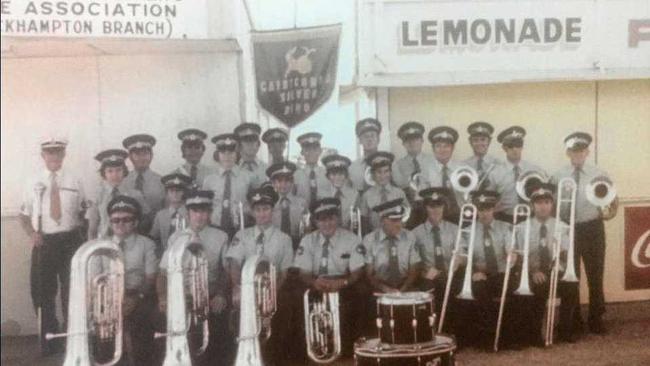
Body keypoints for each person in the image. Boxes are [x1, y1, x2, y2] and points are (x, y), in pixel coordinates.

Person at [19, 136, 86, 356]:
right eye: (50, 153)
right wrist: (32, 234)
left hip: (70, 241)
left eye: (58, 153)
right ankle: (49, 340)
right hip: (44, 242)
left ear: (64, 155)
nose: (54, 157)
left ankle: (72, 341)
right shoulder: (32, 181)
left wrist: (83, 236)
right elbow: (23, 214)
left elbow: (83, 212)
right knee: (42, 293)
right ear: (43, 156)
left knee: (72, 292)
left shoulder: (75, 180)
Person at [551, 131, 615, 335]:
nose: (577, 154)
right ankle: (574, 320)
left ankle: (596, 318)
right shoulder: (558, 175)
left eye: (581, 150)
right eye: (573, 151)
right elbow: (551, 203)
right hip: (569, 229)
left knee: (595, 275)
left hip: (593, 228)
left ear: (587, 151)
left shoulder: (599, 173)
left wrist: (609, 211)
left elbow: (612, 199)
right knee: (572, 276)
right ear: (568, 153)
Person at [157, 190, 230, 366]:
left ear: (210, 213)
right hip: (182, 295)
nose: (200, 216)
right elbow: (163, 273)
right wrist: (162, 297)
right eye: (195, 211)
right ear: (188, 213)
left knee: (218, 327)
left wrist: (221, 294)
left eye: (204, 211)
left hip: (209, 294)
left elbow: (227, 271)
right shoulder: (176, 237)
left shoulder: (221, 237)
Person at [225, 185, 294, 365]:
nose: (262, 214)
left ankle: (272, 359)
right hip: (246, 290)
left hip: (272, 292)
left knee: (283, 313)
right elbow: (234, 264)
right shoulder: (242, 235)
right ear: (252, 212)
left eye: (266, 209)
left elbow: (284, 273)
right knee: (232, 313)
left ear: (273, 210)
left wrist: (270, 295)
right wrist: (237, 288)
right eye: (258, 210)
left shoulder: (284, 239)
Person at [294, 198, 367, 357]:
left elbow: (357, 271)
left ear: (338, 219)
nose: (327, 224)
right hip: (316, 282)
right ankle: (307, 352)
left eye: (331, 218)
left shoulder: (352, 239)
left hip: (343, 282)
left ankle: (350, 350)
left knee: (361, 295)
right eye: (322, 219)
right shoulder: (307, 240)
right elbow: (303, 273)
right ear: (315, 222)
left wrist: (343, 282)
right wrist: (314, 283)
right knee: (296, 298)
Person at [514, 182, 576, 346]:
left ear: (552, 204)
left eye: (547, 203)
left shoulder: (561, 226)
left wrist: (559, 262)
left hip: (554, 269)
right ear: (532, 205)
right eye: (539, 203)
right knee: (539, 287)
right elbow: (519, 257)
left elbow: (564, 253)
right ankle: (535, 334)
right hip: (531, 272)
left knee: (571, 286)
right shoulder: (521, 228)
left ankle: (565, 330)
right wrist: (533, 271)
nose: (543, 207)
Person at [104, 195, 158, 366]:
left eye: (126, 219)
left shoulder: (147, 244)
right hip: (108, 297)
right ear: (110, 223)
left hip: (139, 296)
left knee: (142, 326)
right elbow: (93, 279)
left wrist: (135, 298)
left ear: (135, 222)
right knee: (103, 331)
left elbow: (150, 278)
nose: (120, 224)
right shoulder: (100, 246)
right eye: (116, 220)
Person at [463, 190, 516, 349]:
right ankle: (488, 337)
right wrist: (473, 272)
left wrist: (511, 256)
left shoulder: (505, 227)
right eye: (480, 209)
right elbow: (464, 255)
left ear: (493, 209)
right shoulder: (467, 230)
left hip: (502, 273)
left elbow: (511, 249)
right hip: (480, 275)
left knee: (514, 290)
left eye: (487, 209)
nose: (483, 213)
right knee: (480, 291)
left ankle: (509, 337)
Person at [412, 187, 463, 314]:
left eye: (439, 206)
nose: (435, 210)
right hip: (428, 278)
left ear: (444, 207)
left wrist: (459, 260)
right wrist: (424, 274)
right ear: (425, 208)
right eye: (431, 206)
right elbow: (413, 262)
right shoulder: (415, 233)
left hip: (451, 276)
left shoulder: (455, 230)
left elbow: (463, 254)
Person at [86, 149, 149, 240]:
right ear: (104, 173)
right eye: (110, 171)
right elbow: (92, 229)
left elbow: (145, 222)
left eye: (118, 170)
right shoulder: (96, 196)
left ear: (124, 171)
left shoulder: (135, 194)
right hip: (105, 242)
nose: (115, 175)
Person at [363, 198, 421, 294]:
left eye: (400, 219)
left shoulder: (410, 237)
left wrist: (402, 290)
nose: (399, 224)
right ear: (381, 221)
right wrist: (385, 289)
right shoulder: (370, 240)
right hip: (379, 288)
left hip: (405, 286)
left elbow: (414, 268)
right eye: (394, 220)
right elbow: (369, 274)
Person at [202, 133, 254, 239]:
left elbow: (254, 204)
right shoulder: (209, 180)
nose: (227, 156)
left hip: (241, 228)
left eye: (231, 152)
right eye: (223, 152)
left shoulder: (248, 177)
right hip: (215, 228)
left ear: (237, 153)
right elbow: (205, 208)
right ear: (217, 155)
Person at [491, 126, 545, 224]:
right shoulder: (495, 173)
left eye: (518, 145)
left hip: (530, 218)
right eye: (511, 146)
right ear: (504, 148)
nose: (515, 149)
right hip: (505, 219)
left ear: (522, 146)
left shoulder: (534, 170)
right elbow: (490, 200)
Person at [392, 121, 435, 228]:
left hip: (431, 207)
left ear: (422, 141)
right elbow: (399, 190)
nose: (412, 143)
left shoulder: (433, 161)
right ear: (403, 144)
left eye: (415, 139)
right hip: (409, 211)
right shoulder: (397, 165)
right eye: (407, 140)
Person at [121, 133, 166, 232]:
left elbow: (166, 212)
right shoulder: (123, 182)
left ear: (151, 155)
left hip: (156, 232)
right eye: (137, 154)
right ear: (130, 157)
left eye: (145, 154)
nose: (142, 158)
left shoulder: (162, 181)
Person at [422, 126, 463, 222]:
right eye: (438, 146)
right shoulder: (426, 170)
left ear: (453, 148)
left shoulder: (462, 168)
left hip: (460, 215)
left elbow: (469, 195)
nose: (442, 150)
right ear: (433, 149)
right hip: (436, 217)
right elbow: (422, 199)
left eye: (446, 146)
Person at [359, 151, 408, 233]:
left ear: (391, 172)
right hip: (375, 238)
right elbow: (364, 222)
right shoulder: (367, 196)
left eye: (386, 171)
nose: (383, 176)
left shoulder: (399, 193)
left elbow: (407, 216)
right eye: (379, 172)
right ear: (372, 174)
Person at [267, 162, 308, 250]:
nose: (283, 185)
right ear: (273, 183)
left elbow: (305, 228)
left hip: (296, 244)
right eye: (279, 181)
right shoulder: (269, 204)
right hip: (275, 244)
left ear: (292, 182)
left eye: (287, 181)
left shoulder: (302, 203)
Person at [149, 173, 191, 257]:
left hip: (186, 255)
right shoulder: (161, 215)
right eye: (171, 191)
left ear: (184, 193)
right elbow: (154, 237)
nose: (175, 194)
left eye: (178, 190)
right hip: (165, 256)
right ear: (166, 194)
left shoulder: (190, 214)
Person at [319, 154, 360, 232]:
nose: (337, 178)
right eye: (333, 174)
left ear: (346, 175)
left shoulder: (354, 195)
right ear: (328, 176)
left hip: (348, 235)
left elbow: (357, 222)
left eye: (341, 174)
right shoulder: (321, 195)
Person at [293, 132, 329, 208]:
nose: (311, 153)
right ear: (302, 152)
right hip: (303, 216)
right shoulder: (296, 176)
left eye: (315, 149)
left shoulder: (327, 174)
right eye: (307, 150)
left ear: (320, 151)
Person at [463, 121, 502, 188]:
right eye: (475, 140)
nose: (479, 143)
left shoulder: (498, 164)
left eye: (483, 140)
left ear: (489, 142)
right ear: (470, 142)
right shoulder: (464, 165)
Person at [349, 118, 382, 193]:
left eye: (372, 136)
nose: (369, 139)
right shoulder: (352, 167)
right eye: (365, 136)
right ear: (360, 140)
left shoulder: (390, 163)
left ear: (378, 139)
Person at [234, 122, 268, 189]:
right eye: (246, 140)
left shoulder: (266, 169)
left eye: (253, 140)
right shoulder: (233, 169)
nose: (250, 144)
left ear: (258, 144)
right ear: (239, 145)